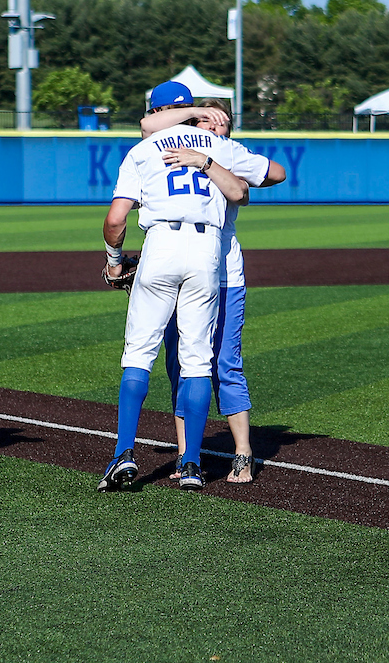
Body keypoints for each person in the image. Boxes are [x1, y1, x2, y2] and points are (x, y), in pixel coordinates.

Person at [98, 81, 272, 492]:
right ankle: (192, 464)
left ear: (154, 111)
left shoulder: (141, 150)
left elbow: (116, 219)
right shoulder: (217, 144)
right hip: (207, 253)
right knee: (197, 359)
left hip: (161, 245)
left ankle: (124, 452)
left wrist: (113, 262)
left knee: (139, 352)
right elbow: (258, 181)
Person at [141, 98, 286, 484]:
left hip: (223, 275)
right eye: (203, 122)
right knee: (180, 367)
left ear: (228, 130)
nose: (209, 129)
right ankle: (186, 455)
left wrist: (210, 160)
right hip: (180, 272)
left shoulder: (226, 154)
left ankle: (242, 452)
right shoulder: (170, 148)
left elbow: (275, 174)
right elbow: (147, 127)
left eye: (218, 123)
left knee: (224, 364)